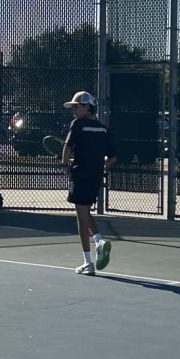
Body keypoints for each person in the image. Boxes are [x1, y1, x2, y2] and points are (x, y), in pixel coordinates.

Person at [61, 91, 116, 275]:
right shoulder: (103, 129)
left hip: (80, 175)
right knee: (86, 210)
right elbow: (113, 156)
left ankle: (88, 263)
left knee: (80, 218)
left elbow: (67, 147)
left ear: (87, 107)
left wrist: (65, 166)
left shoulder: (77, 125)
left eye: (76, 107)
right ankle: (99, 240)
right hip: (95, 177)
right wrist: (101, 164)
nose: (74, 111)